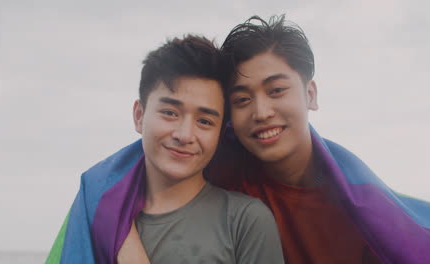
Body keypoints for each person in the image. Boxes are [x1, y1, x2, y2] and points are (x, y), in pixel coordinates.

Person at [49, 15, 430, 264]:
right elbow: (108, 181)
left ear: (310, 94)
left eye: (277, 90)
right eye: (243, 100)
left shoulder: (359, 204)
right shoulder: (221, 165)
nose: (261, 111)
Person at [46, 35, 284, 264]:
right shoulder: (97, 211)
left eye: (205, 121)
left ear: (220, 135)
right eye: (170, 113)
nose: (184, 135)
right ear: (139, 116)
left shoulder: (245, 222)